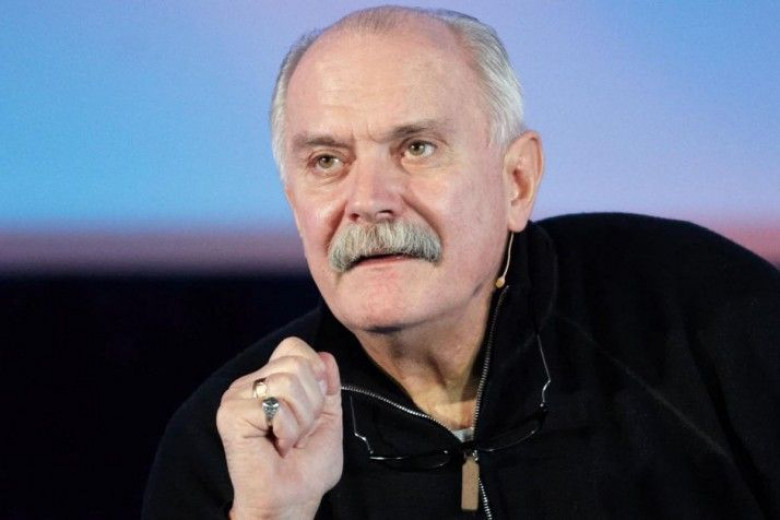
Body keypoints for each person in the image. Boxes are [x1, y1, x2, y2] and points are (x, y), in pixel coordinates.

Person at [142, 6, 780, 519]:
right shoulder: (230, 446)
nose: (368, 201)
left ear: (516, 181)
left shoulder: (702, 314)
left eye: (417, 148)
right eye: (327, 161)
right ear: (293, 202)